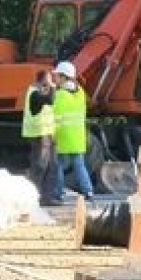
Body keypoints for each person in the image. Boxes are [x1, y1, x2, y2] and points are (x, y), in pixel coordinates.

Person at [52, 61, 95, 200]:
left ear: (64, 77)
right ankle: (88, 191)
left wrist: (51, 135)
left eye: (57, 76)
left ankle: (57, 193)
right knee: (79, 164)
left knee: (57, 165)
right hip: (78, 135)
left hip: (63, 135)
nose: (55, 78)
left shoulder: (59, 95)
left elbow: (55, 117)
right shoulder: (80, 92)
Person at [22, 67, 60, 206]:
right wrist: (52, 86)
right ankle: (34, 197)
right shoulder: (34, 93)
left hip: (48, 133)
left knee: (52, 166)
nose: (51, 81)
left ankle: (47, 198)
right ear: (43, 80)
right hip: (39, 134)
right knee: (40, 166)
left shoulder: (40, 91)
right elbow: (50, 100)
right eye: (49, 78)